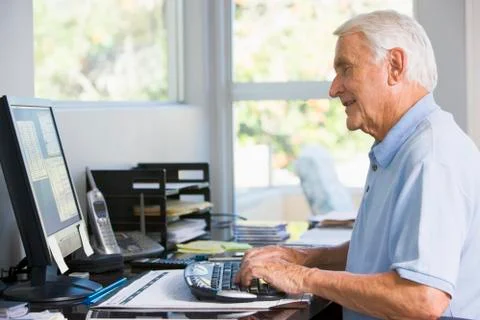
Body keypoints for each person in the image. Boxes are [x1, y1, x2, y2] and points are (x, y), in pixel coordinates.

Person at [235, 10, 480, 320]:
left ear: (394, 66)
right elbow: (379, 256)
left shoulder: (431, 157)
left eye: (346, 69)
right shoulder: (402, 147)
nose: (334, 88)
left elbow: (421, 299)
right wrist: (304, 257)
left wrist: (300, 276)